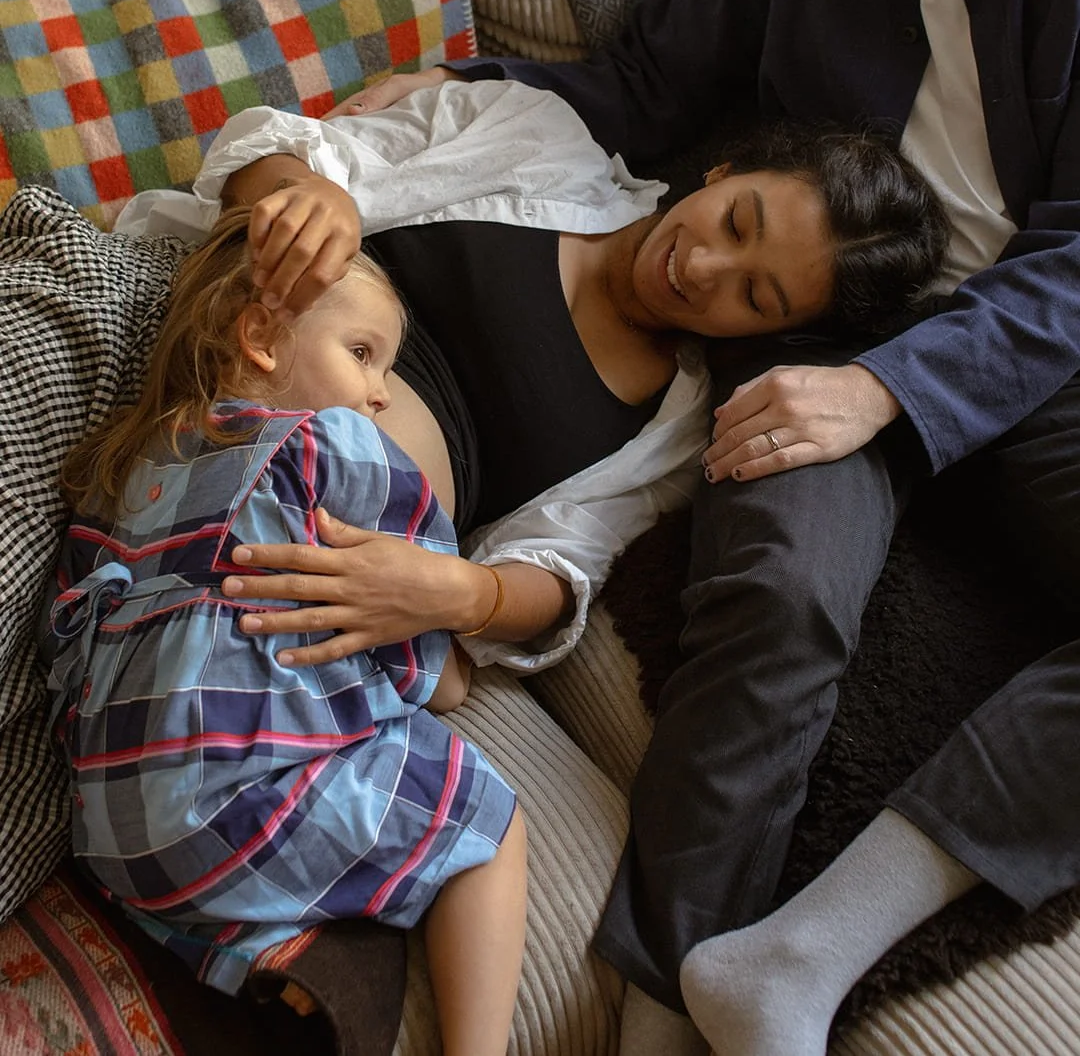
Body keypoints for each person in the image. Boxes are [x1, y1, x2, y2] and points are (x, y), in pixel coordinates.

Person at [327, 0, 1080, 1055]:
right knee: (779, 590)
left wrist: (901, 391)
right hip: (822, 313)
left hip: (1031, 343)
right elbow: (648, 86)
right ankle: (667, 1004)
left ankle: (805, 949)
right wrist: (460, 89)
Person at [114, 79, 945, 695]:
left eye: (754, 295)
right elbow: (278, 154)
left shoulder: (679, 426)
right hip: (187, 361)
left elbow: (558, 566)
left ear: (773, 334)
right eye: (736, 220)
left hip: (306, 560)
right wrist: (306, 195)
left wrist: (462, 594)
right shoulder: (538, 135)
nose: (703, 267)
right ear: (723, 170)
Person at [41, 209, 527, 1056]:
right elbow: (433, 673)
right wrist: (445, 662)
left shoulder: (127, 464)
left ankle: (265, 943)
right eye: (362, 353)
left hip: (110, 838)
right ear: (261, 338)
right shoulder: (332, 445)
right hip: (223, 814)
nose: (381, 393)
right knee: (486, 818)